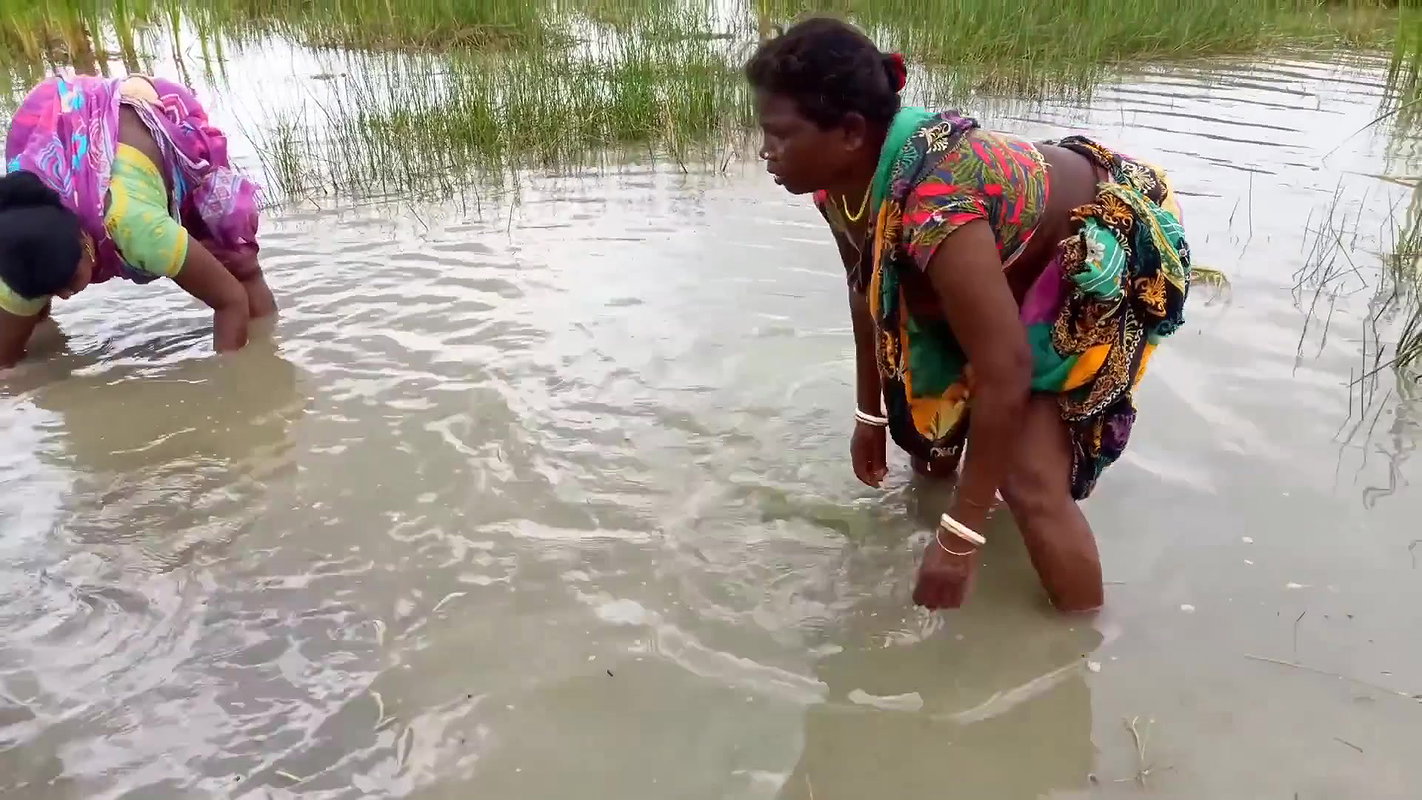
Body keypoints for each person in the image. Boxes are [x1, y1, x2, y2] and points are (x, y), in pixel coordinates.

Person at [746, 18, 1193, 612]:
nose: (766, 152)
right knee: (931, 436)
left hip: (1093, 241)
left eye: (780, 136)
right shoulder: (839, 185)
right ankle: (949, 499)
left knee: (1030, 481)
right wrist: (870, 416)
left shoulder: (937, 204)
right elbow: (867, 290)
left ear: (850, 132)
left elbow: (1005, 369)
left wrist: (961, 538)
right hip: (1000, 250)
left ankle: (1079, 647)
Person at [0, 74, 273, 368]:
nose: (66, 297)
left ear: (84, 240)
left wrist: (235, 381)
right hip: (57, 125)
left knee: (238, 265)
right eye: (55, 290)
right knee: (32, 296)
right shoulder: (17, 238)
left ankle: (272, 342)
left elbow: (231, 301)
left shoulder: (136, 225)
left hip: (150, 118)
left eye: (67, 282)